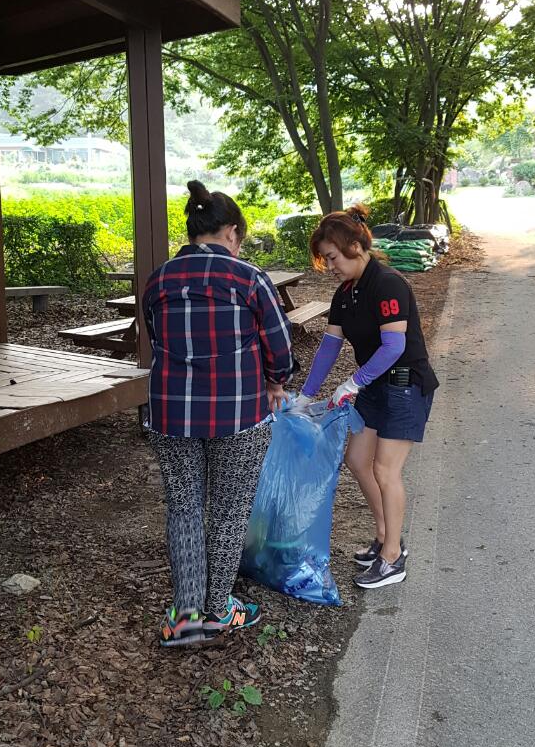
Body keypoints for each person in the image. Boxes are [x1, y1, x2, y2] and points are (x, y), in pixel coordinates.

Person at [143, 180, 295, 648]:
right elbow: (280, 347)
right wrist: (275, 381)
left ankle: (186, 616)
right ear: (231, 232)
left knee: (184, 507)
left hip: (170, 413)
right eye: (239, 239)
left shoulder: (158, 280)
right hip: (239, 414)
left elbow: (154, 336)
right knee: (229, 510)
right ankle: (218, 610)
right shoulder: (249, 279)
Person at [293, 207, 439, 589]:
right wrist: (306, 395)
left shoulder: (388, 284)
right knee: (357, 460)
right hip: (374, 387)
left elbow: (394, 346)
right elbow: (329, 346)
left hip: (406, 386)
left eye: (332, 257)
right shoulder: (345, 292)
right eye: (326, 260)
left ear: (355, 247)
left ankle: (393, 559)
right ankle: (385, 536)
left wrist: (353, 382)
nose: (330, 266)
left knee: (385, 470)